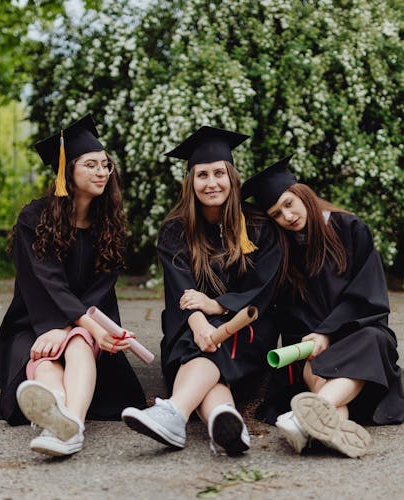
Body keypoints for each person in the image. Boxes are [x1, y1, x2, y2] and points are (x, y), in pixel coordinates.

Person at [0, 114, 146, 456]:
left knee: (79, 342)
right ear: (67, 170)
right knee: (44, 355)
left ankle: (69, 425)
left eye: (106, 165)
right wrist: (63, 326)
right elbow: (45, 283)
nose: (102, 172)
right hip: (33, 321)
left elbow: (103, 286)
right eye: (91, 164)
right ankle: (58, 413)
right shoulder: (34, 220)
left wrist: (75, 327)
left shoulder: (110, 221)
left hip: (93, 323)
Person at [121, 126, 282, 455]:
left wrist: (218, 306)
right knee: (197, 343)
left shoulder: (260, 227)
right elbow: (180, 292)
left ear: (232, 177)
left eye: (219, 173)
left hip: (247, 331)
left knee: (211, 345)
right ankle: (224, 421)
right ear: (190, 182)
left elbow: (262, 290)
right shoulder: (175, 230)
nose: (212, 183)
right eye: (202, 175)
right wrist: (199, 324)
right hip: (189, 330)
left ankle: (174, 412)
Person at [241, 155, 404, 458]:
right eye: (277, 214)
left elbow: (367, 298)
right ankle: (316, 428)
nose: (288, 216)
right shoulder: (283, 250)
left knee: (374, 339)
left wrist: (328, 332)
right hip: (312, 350)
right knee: (317, 361)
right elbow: (284, 314)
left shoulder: (350, 228)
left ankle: (303, 421)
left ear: (302, 193)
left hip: (359, 341)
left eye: (289, 203)